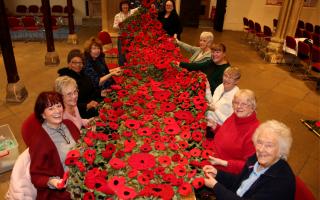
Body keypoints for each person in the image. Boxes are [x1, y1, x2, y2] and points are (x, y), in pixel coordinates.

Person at [202, 120, 295, 200]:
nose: (261, 149)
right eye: (259, 142)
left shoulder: (281, 183)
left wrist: (216, 186)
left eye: (269, 145)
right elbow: (239, 181)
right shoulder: (256, 158)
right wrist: (218, 174)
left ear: (281, 150)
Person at [21, 91, 80, 200]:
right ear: (43, 115)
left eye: (58, 106)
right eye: (50, 108)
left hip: (81, 175)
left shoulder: (69, 124)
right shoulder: (39, 140)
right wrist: (52, 181)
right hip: (63, 190)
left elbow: (82, 146)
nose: (57, 111)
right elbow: (36, 176)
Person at [204, 89, 260, 174]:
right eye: (236, 103)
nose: (238, 106)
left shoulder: (255, 132)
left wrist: (223, 163)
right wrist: (215, 127)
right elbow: (227, 135)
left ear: (252, 107)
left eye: (244, 104)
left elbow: (249, 166)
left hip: (222, 171)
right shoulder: (236, 116)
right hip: (211, 154)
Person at [57, 49, 100, 119]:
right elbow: (65, 102)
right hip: (76, 112)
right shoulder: (65, 80)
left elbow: (92, 91)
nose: (78, 65)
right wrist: (86, 105)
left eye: (80, 63)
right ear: (69, 63)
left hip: (90, 107)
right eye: (74, 62)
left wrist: (100, 93)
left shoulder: (84, 75)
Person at [113, 0, 139, 66]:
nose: (125, 6)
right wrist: (120, 25)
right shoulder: (117, 15)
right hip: (121, 37)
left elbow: (140, 8)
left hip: (131, 37)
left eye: (126, 5)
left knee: (131, 53)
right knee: (122, 54)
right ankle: (122, 68)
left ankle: (131, 68)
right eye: (123, 5)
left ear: (128, 6)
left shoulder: (132, 12)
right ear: (121, 7)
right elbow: (114, 26)